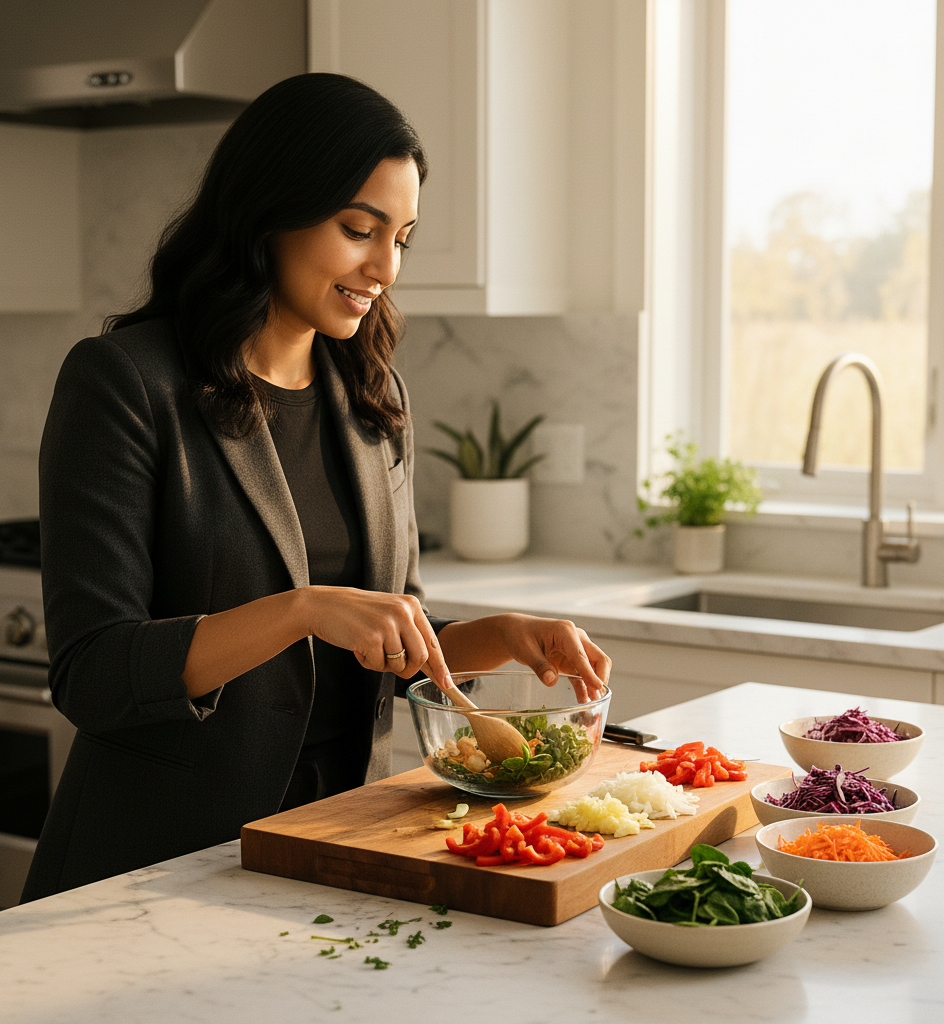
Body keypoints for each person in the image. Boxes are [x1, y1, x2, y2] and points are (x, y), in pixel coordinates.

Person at [21, 73, 610, 903]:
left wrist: (503, 635)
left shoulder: (373, 397)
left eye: (402, 237)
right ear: (269, 210)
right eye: (359, 229)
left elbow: (389, 630)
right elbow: (93, 673)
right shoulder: (124, 383)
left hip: (332, 848)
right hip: (154, 868)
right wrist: (299, 608)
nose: (384, 266)